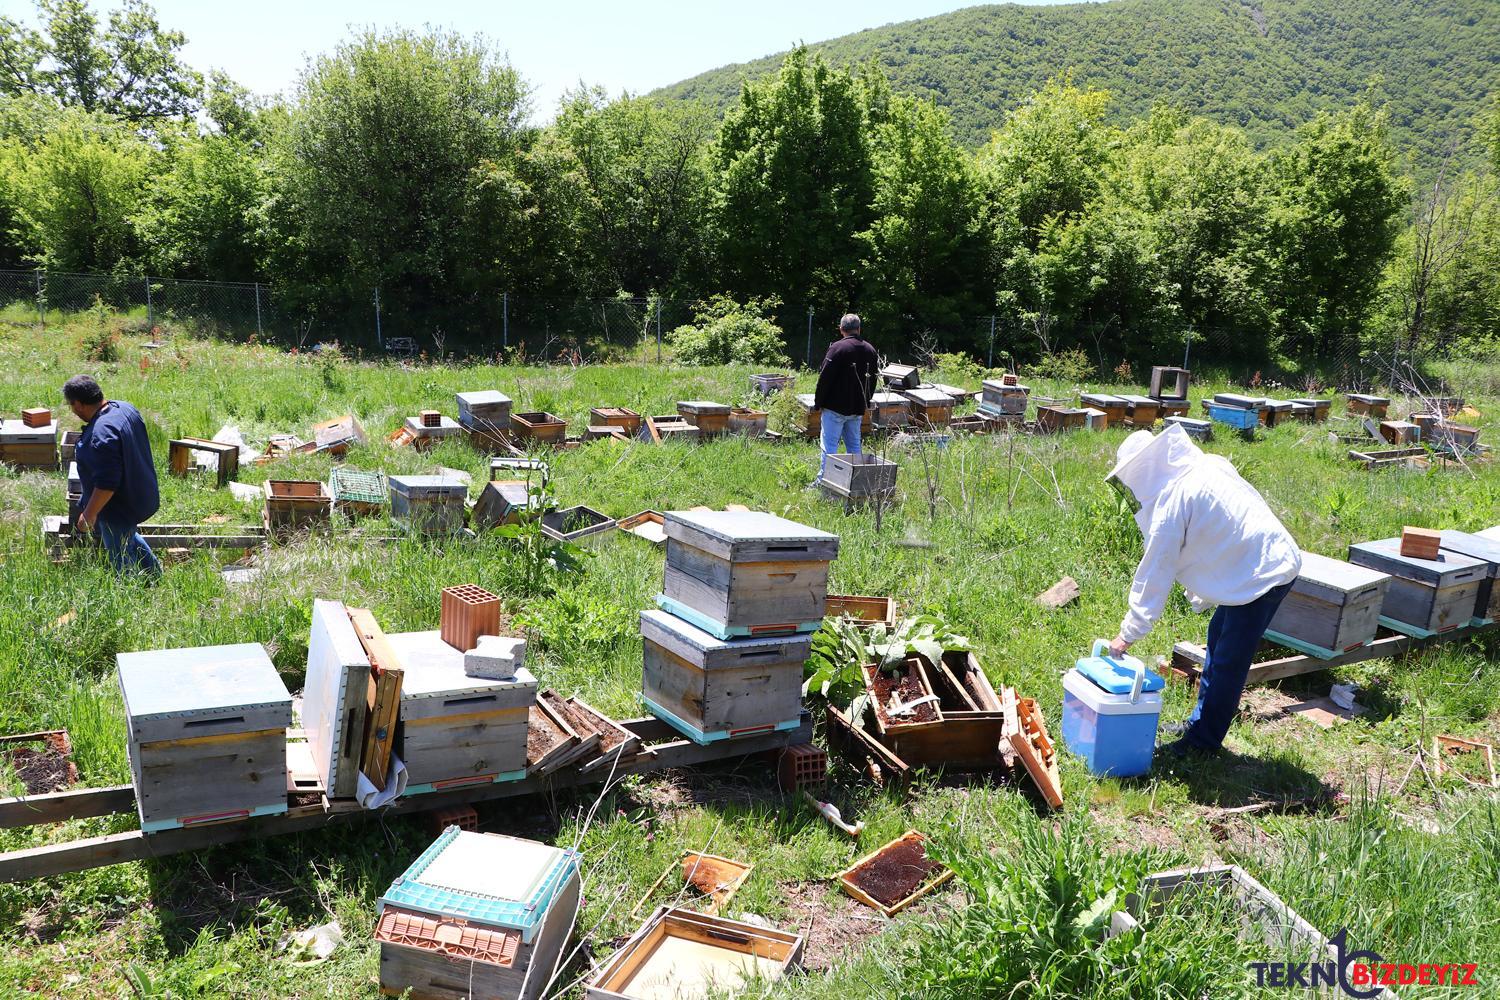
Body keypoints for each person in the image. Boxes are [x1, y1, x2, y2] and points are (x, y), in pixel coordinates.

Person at [1104, 424, 1300, 756]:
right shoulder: (1206, 465)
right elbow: (1218, 532)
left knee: (1227, 661)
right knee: (1217, 638)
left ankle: (1203, 742)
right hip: (1264, 561)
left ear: (1143, 471)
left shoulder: (1172, 502)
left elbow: (1155, 574)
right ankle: (1200, 725)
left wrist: (1127, 635)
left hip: (1263, 573)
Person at [65, 375, 162, 579]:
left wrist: (89, 513)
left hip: (118, 506)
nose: (72, 410)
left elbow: (106, 484)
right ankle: (155, 576)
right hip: (140, 492)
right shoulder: (125, 408)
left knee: (120, 557)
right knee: (128, 534)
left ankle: (128, 593)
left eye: (71, 405)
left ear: (80, 404)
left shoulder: (101, 435)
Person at [812, 313, 878, 484]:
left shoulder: (837, 348)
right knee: (854, 448)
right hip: (856, 408)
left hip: (835, 407)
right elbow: (873, 380)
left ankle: (825, 482)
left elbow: (825, 377)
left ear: (841, 329)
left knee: (830, 448)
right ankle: (855, 482)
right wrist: (866, 402)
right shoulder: (870, 350)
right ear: (859, 329)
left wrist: (818, 402)